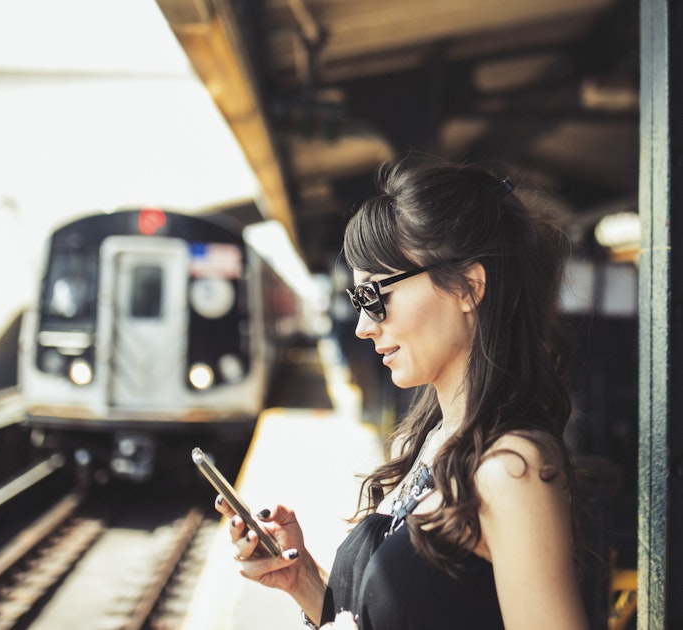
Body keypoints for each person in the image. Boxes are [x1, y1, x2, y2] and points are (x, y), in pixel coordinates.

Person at [216, 154, 590, 629]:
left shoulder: (512, 469)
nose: (362, 327)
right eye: (357, 302)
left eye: (375, 297)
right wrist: (301, 578)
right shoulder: (432, 438)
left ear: (467, 287)